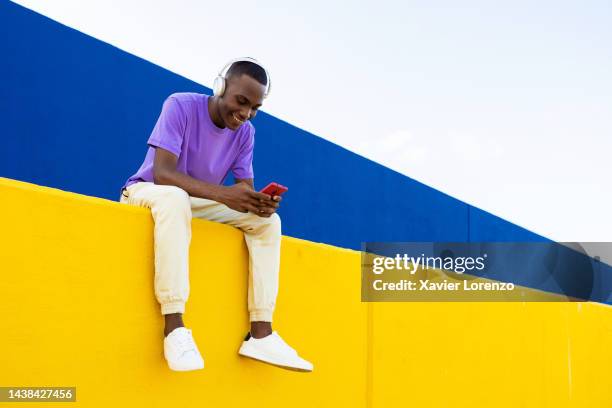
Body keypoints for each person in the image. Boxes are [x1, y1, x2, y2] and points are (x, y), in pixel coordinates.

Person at [119, 57, 313, 372]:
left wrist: (258, 203)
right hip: (147, 192)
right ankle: (174, 327)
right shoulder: (180, 105)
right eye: (241, 101)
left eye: (255, 108)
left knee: (267, 223)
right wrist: (224, 194)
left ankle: (261, 333)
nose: (246, 113)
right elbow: (163, 173)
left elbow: (243, 190)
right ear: (220, 87)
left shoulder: (246, 133)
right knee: (174, 198)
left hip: (189, 201)